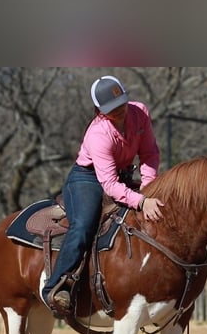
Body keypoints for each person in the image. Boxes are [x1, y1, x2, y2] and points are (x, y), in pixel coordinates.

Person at [41, 75, 164, 315]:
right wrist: (140, 200)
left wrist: (149, 188)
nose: (119, 111)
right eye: (112, 109)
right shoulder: (98, 134)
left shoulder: (140, 112)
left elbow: (149, 153)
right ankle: (56, 287)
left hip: (123, 174)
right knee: (84, 225)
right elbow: (108, 184)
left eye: (122, 105)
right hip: (87, 178)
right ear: (99, 110)